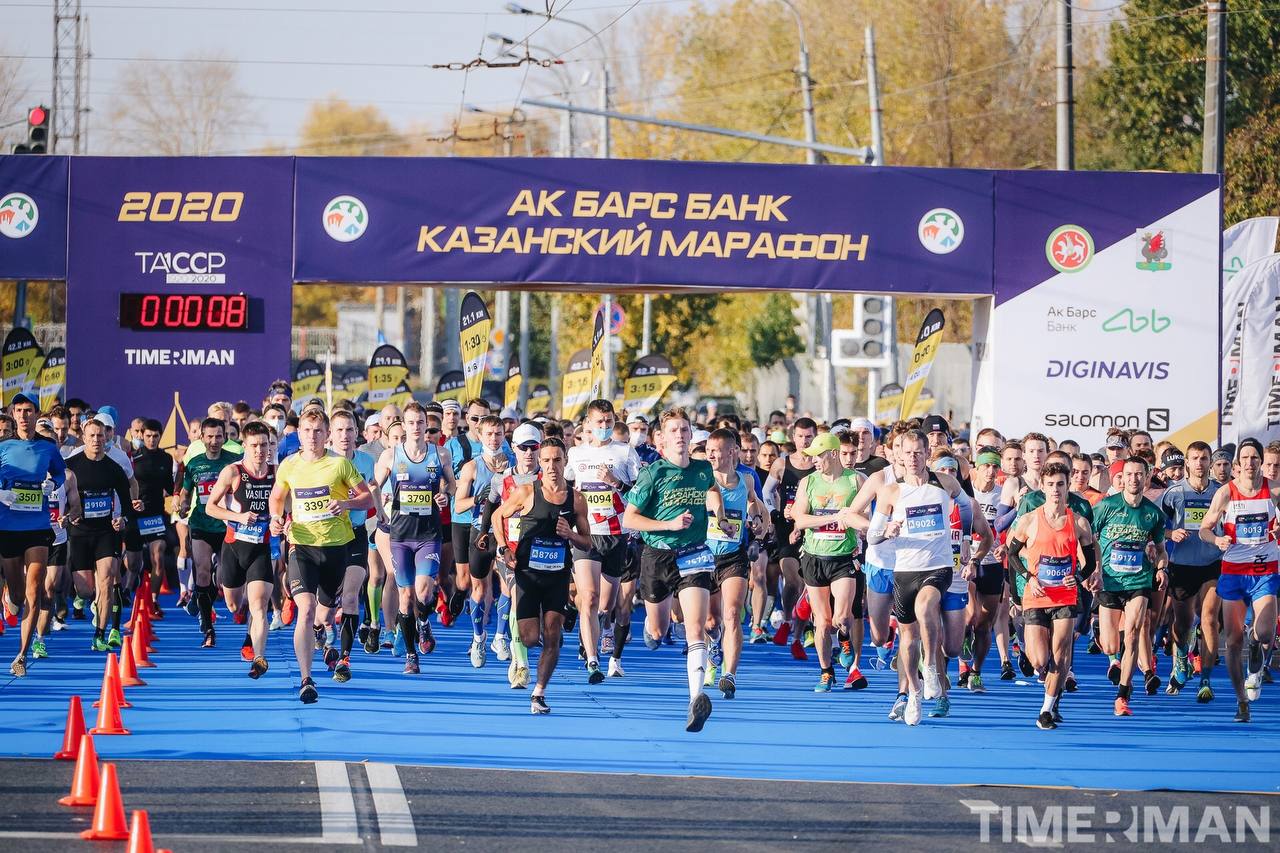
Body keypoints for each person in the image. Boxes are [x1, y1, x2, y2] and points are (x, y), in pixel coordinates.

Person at [624, 408, 732, 732]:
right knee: (657, 633)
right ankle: (654, 627)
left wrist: (720, 517)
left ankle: (695, 700)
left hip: (694, 553)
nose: (681, 435)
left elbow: (712, 490)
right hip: (657, 554)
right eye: (674, 430)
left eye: (685, 429)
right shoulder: (652, 473)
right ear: (661, 437)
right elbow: (629, 519)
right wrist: (667, 523)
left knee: (695, 627)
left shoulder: (702, 469)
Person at [852, 429, 965, 726]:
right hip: (904, 570)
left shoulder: (946, 483)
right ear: (899, 456)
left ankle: (930, 667)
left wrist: (967, 542)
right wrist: (886, 530)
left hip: (937, 567)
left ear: (928, 453)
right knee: (907, 637)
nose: (913, 458)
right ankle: (913, 694)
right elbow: (874, 536)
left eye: (919, 452)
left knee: (927, 607)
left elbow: (969, 510)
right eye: (908, 453)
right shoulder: (890, 491)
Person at [269, 408, 374, 703]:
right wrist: (277, 517)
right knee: (305, 609)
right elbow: (277, 498)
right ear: (298, 434)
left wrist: (346, 503)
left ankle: (322, 629)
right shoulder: (289, 465)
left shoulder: (339, 464)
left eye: (318, 431)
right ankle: (306, 678)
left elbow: (367, 498)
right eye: (307, 431)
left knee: (325, 613)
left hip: (336, 547)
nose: (312, 437)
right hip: (302, 546)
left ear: (326, 434)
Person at [491, 438, 591, 714]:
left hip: (557, 576)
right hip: (527, 574)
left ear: (564, 462)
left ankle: (539, 692)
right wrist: (503, 549)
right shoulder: (527, 492)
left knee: (552, 635)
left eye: (556, 460)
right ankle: (533, 645)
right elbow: (498, 516)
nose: (551, 466)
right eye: (546, 460)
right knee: (530, 637)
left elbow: (587, 542)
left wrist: (570, 534)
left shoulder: (576, 499)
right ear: (539, 462)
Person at [1007, 462, 1097, 728]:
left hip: (1065, 596)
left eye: (1060, 484)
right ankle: (1046, 678)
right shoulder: (1029, 519)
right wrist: (1028, 578)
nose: (1055, 489)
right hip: (1036, 594)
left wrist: (1078, 577)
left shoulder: (1079, 522)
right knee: (1039, 659)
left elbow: (1090, 562)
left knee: (1061, 653)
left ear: (1068, 486)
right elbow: (1012, 555)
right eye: (1050, 485)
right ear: (1043, 487)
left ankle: (1046, 709)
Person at [1199, 438, 1280, 723]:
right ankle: (1241, 701)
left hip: (1264, 571)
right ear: (1237, 465)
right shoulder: (1226, 493)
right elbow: (1204, 530)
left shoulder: (1274, 491)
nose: (1250, 462)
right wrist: (1217, 538)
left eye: (1254, 457)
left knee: (1266, 633)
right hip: (1234, 573)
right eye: (1244, 458)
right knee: (1233, 642)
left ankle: (1256, 648)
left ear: (1260, 461)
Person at [564, 399, 641, 684]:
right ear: (588, 424)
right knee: (590, 598)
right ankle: (593, 660)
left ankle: (597, 631)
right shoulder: (575, 454)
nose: (605, 426)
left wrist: (615, 483)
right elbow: (566, 487)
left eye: (609, 421)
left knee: (605, 606)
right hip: (587, 534)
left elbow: (640, 494)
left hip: (616, 535)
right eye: (599, 422)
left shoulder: (625, 452)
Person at [374, 403, 453, 675]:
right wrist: (380, 511)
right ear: (403, 425)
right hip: (400, 535)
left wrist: (445, 494)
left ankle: (423, 623)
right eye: (411, 422)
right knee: (405, 597)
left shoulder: (439, 454)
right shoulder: (390, 456)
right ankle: (411, 654)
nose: (417, 427)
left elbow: (450, 484)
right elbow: (375, 486)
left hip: (429, 534)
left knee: (424, 591)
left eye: (421, 422)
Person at [1092, 457, 1167, 717]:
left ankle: (1123, 695)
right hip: (1109, 580)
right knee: (1111, 644)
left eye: (1139, 475)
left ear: (1146, 477)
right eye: (1129, 474)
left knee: (1134, 633)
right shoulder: (1106, 506)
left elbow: (1160, 549)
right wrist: (1093, 568)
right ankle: (1105, 640)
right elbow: (1089, 538)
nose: (1134, 479)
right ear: (1122, 478)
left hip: (1138, 580)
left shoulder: (1153, 514)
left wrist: (1160, 567)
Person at [790, 432, 864, 693]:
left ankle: (844, 639)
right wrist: (833, 518)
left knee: (843, 617)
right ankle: (826, 672)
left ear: (833, 454)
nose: (814, 461)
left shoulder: (856, 480)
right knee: (822, 621)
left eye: (818, 456)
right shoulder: (808, 482)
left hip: (843, 557)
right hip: (814, 557)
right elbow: (799, 518)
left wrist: (854, 521)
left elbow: (862, 517)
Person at [0, 394, 67, 675]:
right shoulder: (3, 446)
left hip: (38, 526)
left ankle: (21, 655)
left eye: (29, 411)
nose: (24, 416)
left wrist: (53, 482)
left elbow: (60, 474)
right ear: (13, 415)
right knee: (17, 595)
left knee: (34, 588)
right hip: (8, 526)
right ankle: (9, 599)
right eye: (19, 411)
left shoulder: (48, 447)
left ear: (36, 413)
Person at [204, 421, 276, 678]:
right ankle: (243, 611)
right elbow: (210, 507)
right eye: (254, 445)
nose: (259, 451)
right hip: (234, 547)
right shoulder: (233, 472)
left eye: (264, 445)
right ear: (244, 446)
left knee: (259, 605)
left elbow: (287, 509)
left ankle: (259, 657)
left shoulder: (276, 474)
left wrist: (282, 522)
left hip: (261, 549)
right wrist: (238, 517)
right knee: (235, 606)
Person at [704, 428, 768, 698]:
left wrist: (756, 518)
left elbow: (754, 504)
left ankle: (729, 674)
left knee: (731, 614)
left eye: (715, 451)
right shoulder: (705, 479)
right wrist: (721, 520)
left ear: (732, 453)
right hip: (704, 556)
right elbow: (714, 500)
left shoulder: (747, 480)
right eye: (708, 451)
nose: (710, 456)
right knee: (710, 621)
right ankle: (713, 646)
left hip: (734, 555)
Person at [63, 418, 134, 654]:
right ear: (84, 438)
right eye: (92, 436)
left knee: (106, 581)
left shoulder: (114, 469)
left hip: (106, 532)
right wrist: (65, 515)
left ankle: (100, 635)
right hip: (80, 532)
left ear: (107, 438)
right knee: (85, 590)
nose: (96, 440)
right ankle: (92, 602)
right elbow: (58, 497)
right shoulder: (71, 464)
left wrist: (122, 518)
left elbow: (127, 505)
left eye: (100, 436)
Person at [479, 421, 542, 687]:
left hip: (541, 552)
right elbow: (491, 507)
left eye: (534, 447)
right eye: (524, 447)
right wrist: (485, 535)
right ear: (514, 448)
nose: (529, 452)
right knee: (518, 599)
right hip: (509, 550)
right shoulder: (501, 479)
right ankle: (522, 665)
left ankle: (518, 654)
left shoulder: (548, 478)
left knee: (532, 607)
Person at [1160, 441, 1222, 700]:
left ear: (1210, 462)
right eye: (1194, 458)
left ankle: (1205, 680)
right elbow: (1157, 529)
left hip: (1212, 563)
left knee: (1209, 618)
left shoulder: (1221, 492)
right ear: (1187, 462)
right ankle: (1182, 656)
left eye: (1204, 458)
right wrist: (1171, 533)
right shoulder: (1174, 493)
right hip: (1182, 566)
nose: (1199, 463)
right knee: (1183, 624)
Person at [176, 417, 241, 648]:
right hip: (201, 524)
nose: (214, 441)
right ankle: (208, 627)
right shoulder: (194, 463)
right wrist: (182, 504)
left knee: (222, 578)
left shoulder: (234, 463)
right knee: (202, 574)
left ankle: (199, 597)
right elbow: (185, 492)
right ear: (201, 437)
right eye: (210, 436)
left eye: (219, 436)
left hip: (227, 527)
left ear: (225, 437)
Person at [454, 413, 512, 668]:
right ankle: (478, 638)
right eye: (489, 434)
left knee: (509, 586)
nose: (494, 438)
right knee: (479, 589)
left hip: (507, 533)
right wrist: (479, 499)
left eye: (498, 434)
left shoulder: (513, 463)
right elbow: (458, 506)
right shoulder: (472, 467)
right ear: (479, 436)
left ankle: (500, 636)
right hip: (479, 532)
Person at [763, 417, 818, 659]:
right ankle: (787, 620)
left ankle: (800, 632)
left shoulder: (820, 463)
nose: (804, 441)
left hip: (813, 529)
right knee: (793, 580)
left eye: (809, 436)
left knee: (809, 586)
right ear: (792, 437)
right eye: (800, 436)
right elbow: (765, 492)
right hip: (786, 529)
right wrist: (775, 513)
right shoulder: (782, 464)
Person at [129, 418, 174, 618]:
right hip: (134, 514)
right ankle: (130, 590)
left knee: (159, 555)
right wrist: (130, 502)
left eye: (156, 436)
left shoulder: (166, 459)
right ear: (141, 435)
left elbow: (171, 488)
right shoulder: (133, 457)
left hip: (154, 515)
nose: (152, 439)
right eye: (148, 436)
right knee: (132, 564)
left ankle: (154, 600)